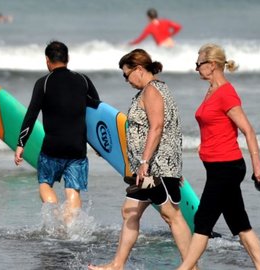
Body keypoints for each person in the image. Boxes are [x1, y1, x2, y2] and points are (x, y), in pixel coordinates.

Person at [88, 49, 195, 270]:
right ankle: (117, 264)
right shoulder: (156, 89)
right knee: (129, 211)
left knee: (171, 215)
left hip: (156, 167)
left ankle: (191, 267)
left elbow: (157, 128)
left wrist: (146, 162)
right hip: (149, 169)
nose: (126, 81)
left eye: (126, 75)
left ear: (138, 69)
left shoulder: (152, 91)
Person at [176, 44, 260, 270]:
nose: (196, 68)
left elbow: (248, 130)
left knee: (202, 221)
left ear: (212, 65)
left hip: (227, 167)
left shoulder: (226, 93)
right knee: (240, 224)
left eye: (199, 64)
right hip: (217, 167)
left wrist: (258, 166)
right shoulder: (211, 91)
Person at [14, 41, 100, 224]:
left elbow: (31, 116)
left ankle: (56, 214)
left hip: (52, 149)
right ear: (68, 58)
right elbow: (96, 113)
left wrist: (21, 144)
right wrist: (100, 145)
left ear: (47, 60)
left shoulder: (43, 83)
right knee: (73, 191)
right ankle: (70, 227)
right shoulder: (83, 80)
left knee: (45, 183)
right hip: (77, 149)